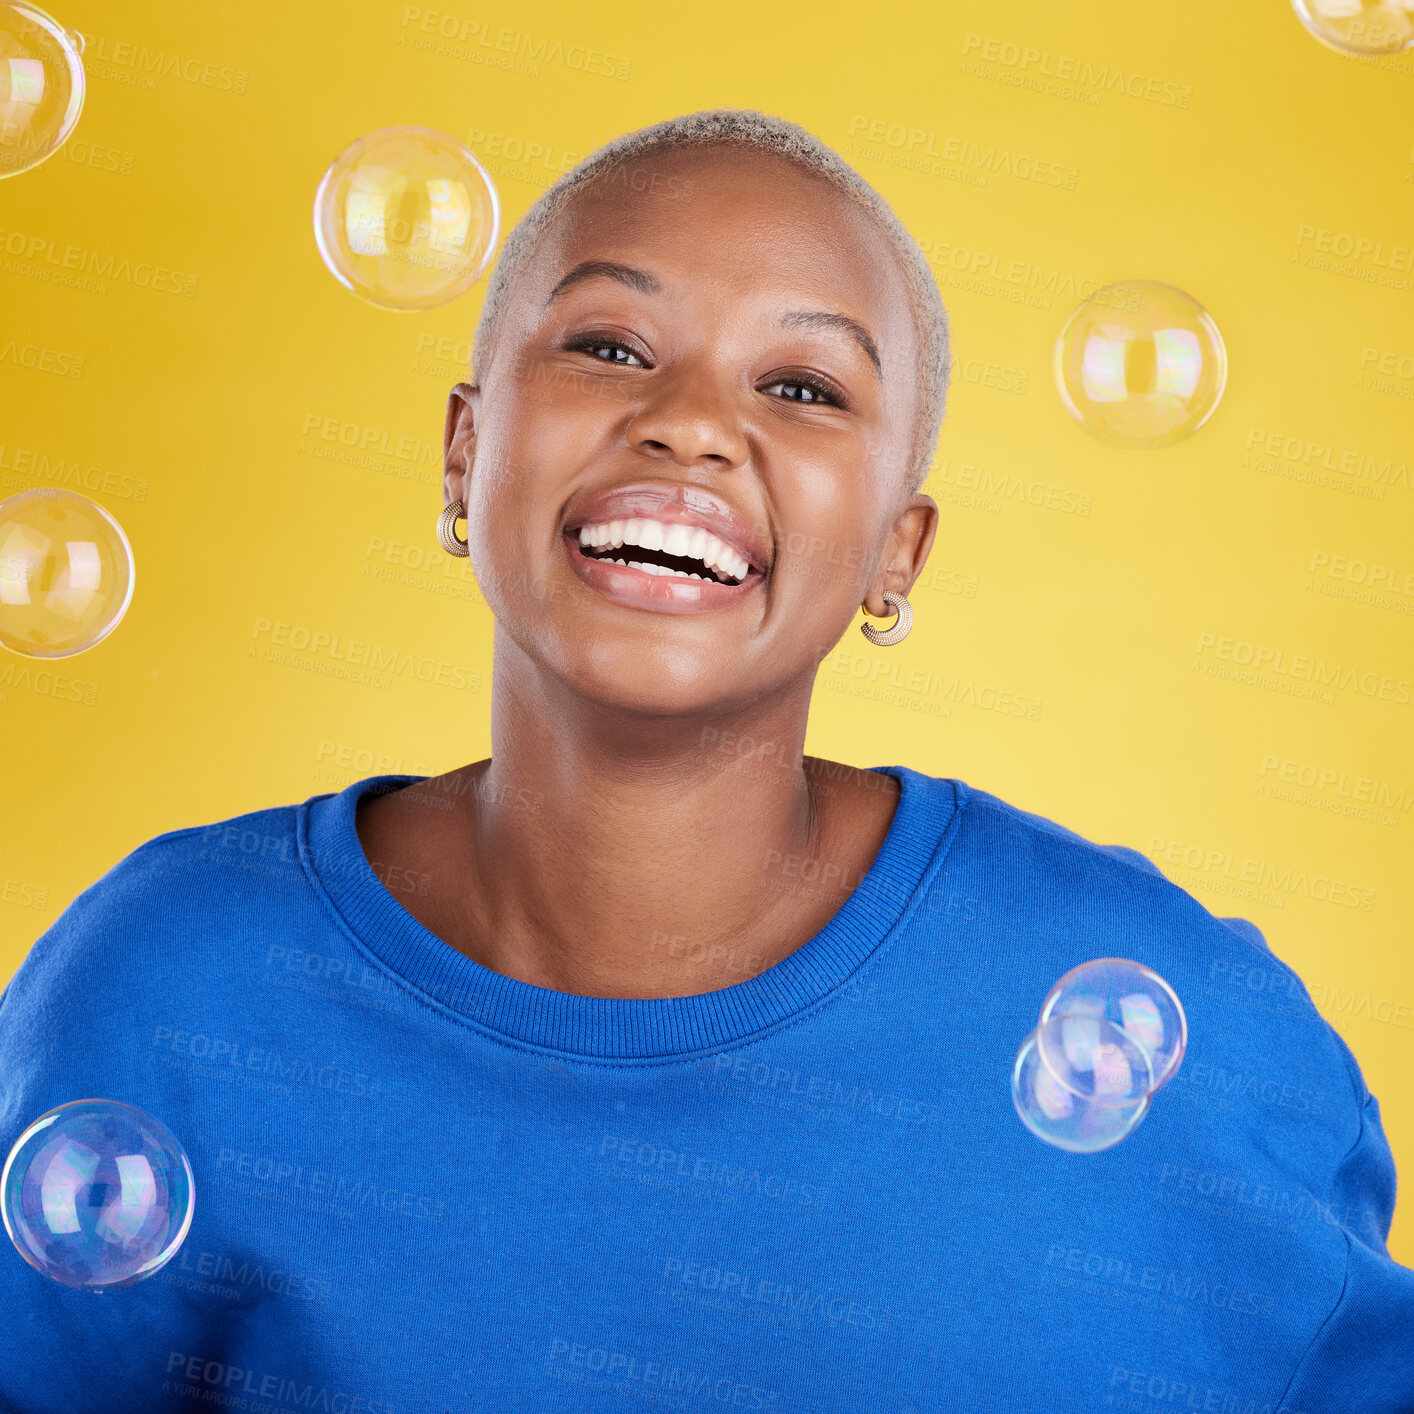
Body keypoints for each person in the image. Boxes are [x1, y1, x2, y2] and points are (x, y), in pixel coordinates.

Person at [1, 106, 1410, 1412]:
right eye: (609, 346)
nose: (688, 422)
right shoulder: (166, 984)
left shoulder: (1185, 1031)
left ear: (892, 555)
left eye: (801, 386)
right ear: (461, 453)